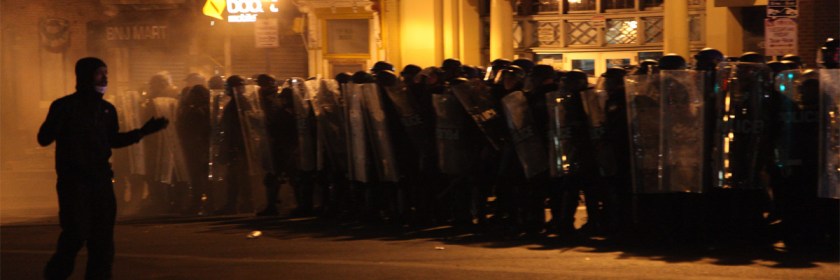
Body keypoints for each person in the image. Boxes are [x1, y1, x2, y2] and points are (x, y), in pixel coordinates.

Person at [38, 57, 168, 279]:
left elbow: (113, 140)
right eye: (100, 73)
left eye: (106, 73)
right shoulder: (64, 106)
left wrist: (143, 132)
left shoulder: (107, 109)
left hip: (101, 183)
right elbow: (43, 138)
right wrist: (61, 124)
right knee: (75, 235)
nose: (105, 78)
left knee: (102, 242)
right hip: (74, 183)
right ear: (85, 76)